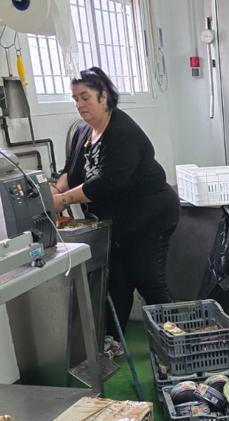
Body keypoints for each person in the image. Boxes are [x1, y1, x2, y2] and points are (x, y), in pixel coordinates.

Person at [52, 67, 180, 335]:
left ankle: (175, 340)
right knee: (116, 281)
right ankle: (113, 340)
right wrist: (54, 191)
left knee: (148, 278)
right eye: (75, 98)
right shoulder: (83, 132)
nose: (79, 104)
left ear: (104, 96)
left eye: (85, 97)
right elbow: (71, 170)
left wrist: (63, 199)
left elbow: (106, 184)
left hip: (150, 215)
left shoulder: (122, 132)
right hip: (117, 221)